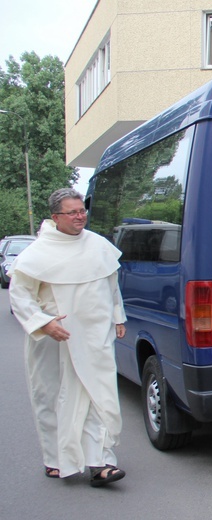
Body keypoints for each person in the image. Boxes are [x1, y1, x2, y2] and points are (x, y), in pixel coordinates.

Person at [9, 188, 127, 486]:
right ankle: (56, 459)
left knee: (97, 393)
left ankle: (101, 463)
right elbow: (20, 295)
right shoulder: (36, 254)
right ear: (55, 217)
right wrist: (43, 323)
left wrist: (118, 317)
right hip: (55, 338)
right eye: (73, 212)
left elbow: (111, 285)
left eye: (81, 211)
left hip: (94, 335)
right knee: (53, 396)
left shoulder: (98, 245)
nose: (80, 216)